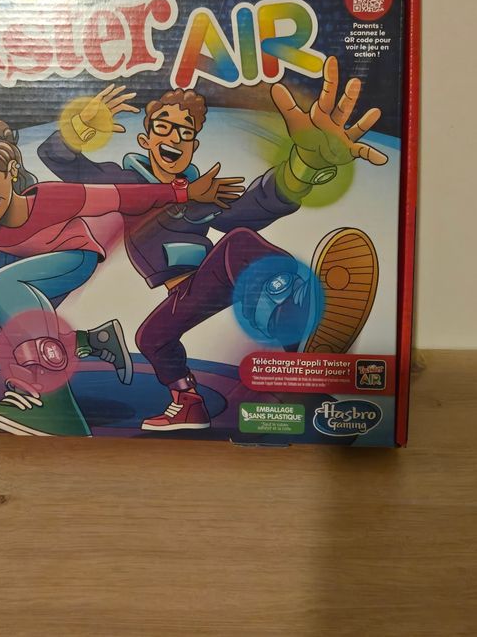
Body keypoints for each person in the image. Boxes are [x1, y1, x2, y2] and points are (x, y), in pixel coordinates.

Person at [0, 87, 243, 436]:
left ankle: (49, 403)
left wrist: (182, 193)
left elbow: (125, 196)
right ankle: (96, 341)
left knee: (3, 284)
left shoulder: (52, 199)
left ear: (11, 171)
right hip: (35, 277)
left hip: (75, 259)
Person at [38, 56, 386, 432]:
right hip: (186, 291)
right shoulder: (124, 183)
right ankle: (189, 404)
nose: (174, 138)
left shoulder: (204, 192)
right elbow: (56, 158)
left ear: (193, 146)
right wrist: (79, 126)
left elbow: (255, 205)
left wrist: (304, 165)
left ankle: (299, 318)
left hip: (216, 273)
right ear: (146, 140)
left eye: (184, 133)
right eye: (164, 128)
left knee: (238, 241)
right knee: (151, 336)